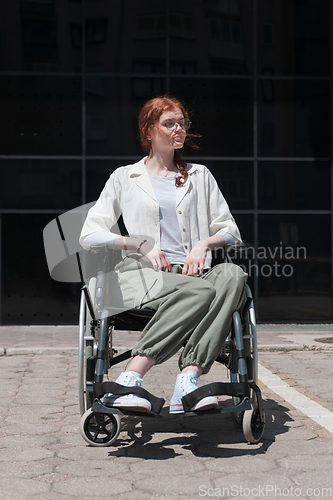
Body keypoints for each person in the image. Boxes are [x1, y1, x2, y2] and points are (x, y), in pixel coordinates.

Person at [80, 95, 247, 414]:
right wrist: (139, 244)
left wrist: (203, 245)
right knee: (202, 291)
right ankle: (130, 378)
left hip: (193, 274)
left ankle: (188, 379)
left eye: (182, 122)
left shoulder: (200, 176)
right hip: (143, 276)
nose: (178, 129)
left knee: (233, 275)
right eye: (169, 123)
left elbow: (230, 230)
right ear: (148, 130)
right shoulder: (124, 178)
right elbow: (90, 234)